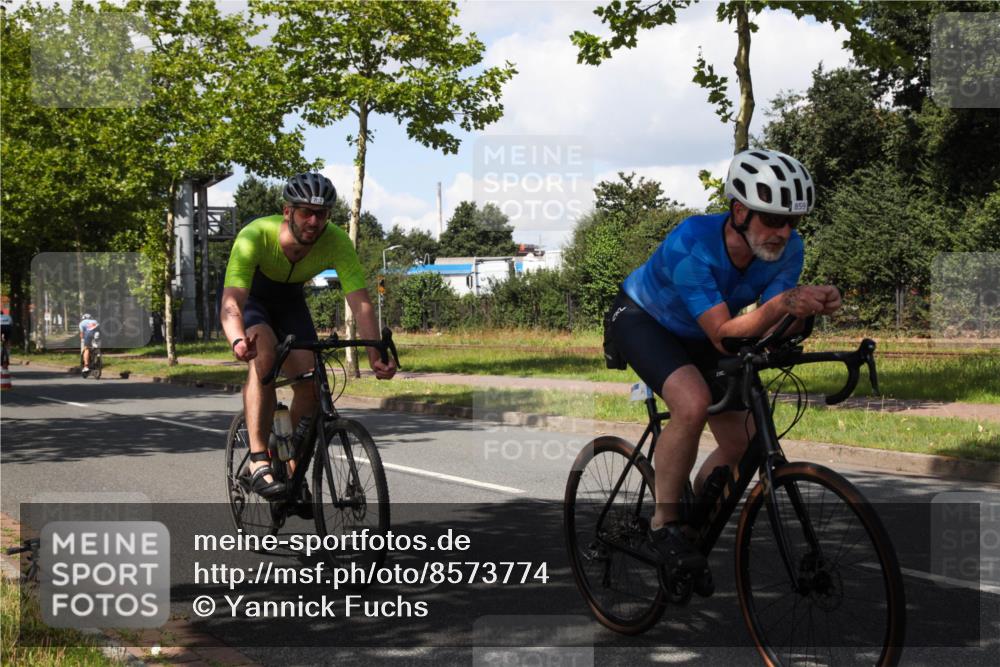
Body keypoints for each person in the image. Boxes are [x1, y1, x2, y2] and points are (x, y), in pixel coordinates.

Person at [607, 148, 842, 583]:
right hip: (645, 320)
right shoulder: (691, 242)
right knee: (692, 403)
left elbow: (773, 322)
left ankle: (692, 524)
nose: (784, 232)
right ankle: (664, 524)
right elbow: (727, 333)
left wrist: (807, 311)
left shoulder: (789, 249)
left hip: (707, 331)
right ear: (739, 211)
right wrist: (785, 304)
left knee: (743, 440)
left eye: (793, 221)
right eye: (772, 219)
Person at [220, 172, 397, 501]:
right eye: (306, 212)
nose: (314, 221)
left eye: (322, 214)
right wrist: (237, 340)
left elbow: (360, 303)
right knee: (265, 358)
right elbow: (232, 302)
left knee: (314, 385)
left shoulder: (336, 240)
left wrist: (375, 354)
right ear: (288, 212)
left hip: (290, 303)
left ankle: (289, 468)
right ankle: (259, 461)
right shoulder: (255, 235)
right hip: (254, 302)